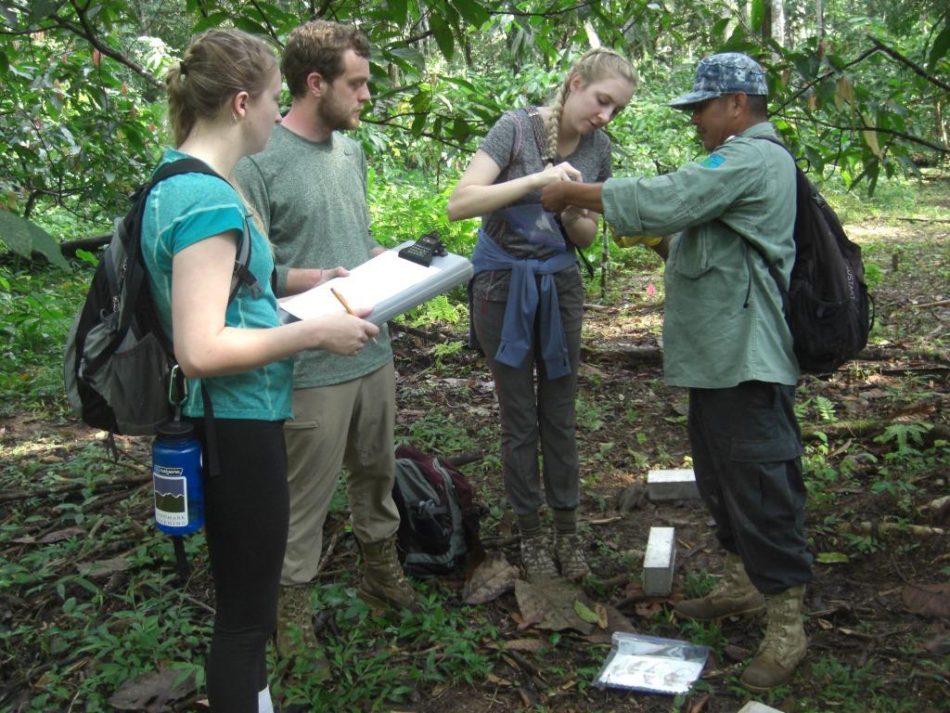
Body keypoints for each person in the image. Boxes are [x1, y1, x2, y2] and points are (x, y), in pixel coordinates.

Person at [541, 52, 812, 691]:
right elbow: (704, 228)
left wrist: (573, 193)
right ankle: (744, 581)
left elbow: (674, 195)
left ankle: (788, 623)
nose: (696, 121)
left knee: (762, 485)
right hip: (719, 357)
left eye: (703, 108)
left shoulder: (752, 156)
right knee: (723, 477)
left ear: (738, 105)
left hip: (747, 357)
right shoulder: (740, 161)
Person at [141, 29, 379, 713]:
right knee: (246, 619)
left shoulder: (176, 179)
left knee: (243, 612)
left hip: (223, 417)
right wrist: (314, 331)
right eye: (276, 99)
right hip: (234, 421)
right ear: (242, 103)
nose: (280, 114)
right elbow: (203, 346)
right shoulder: (208, 202)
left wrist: (314, 279)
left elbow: (236, 284)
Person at [234, 20, 418, 660]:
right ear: (315, 84)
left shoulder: (350, 152)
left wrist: (397, 264)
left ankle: (381, 576)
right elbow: (247, 272)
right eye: (357, 83)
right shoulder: (256, 161)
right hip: (309, 362)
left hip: (373, 345)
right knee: (303, 499)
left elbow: (353, 242)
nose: (367, 96)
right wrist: (306, 277)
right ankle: (293, 618)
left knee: (377, 473)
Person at [446, 49, 637, 582]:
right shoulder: (516, 129)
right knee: (519, 417)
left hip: (559, 283)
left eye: (615, 109)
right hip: (502, 285)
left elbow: (587, 236)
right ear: (575, 83)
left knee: (559, 412)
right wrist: (537, 181)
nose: (605, 116)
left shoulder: (598, 149)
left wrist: (574, 207)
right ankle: (530, 534)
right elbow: (460, 203)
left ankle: (568, 531)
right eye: (601, 101)